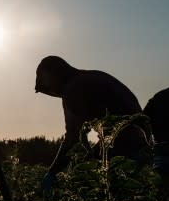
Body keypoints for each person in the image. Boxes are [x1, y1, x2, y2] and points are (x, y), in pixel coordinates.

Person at [34, 55, 146, 192]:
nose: (51, 91)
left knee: (84, 183)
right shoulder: (91, 77)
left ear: (54, 76)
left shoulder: (73, 88)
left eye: (47, 84)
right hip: (140, 140)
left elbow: (72, 138)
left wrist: (52, 172)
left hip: (126, 143)